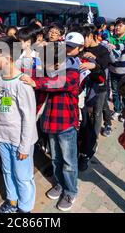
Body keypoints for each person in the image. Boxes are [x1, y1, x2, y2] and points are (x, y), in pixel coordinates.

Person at [21, 41, 81, 212]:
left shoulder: (71, 73)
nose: (41, 63)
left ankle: (70, 191)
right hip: (49, 122)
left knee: (69, 162)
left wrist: (35, 83)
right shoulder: (45, 71)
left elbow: (58, 83)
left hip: (65, 124)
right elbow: (29, 72)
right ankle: (59, 184)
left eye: (44, 60)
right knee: (55, 158)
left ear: (56, 62)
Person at [0, 36, 38, 213]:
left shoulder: (22, 83)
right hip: (2, 137)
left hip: (19, 141)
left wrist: (25, 147)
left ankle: (25, 209)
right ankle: (11, 202)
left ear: (9, 57)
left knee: (23, 176)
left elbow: (29, 118)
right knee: (7, 171)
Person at [78, 26, 112, 170]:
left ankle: (94, 140)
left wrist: (95, 60)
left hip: (99, 88)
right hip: (86, 88)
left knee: (97, 114)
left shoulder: (103, 50)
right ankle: (88, 140)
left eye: (84, 38)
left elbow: (105, 66)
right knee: (87, 116)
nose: (82, 42)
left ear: (91, 36)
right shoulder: (81, 50)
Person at [108, 18, 125, 122]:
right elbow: (105, 43)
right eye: (117, 25)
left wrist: (115, 46)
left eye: (120, 26)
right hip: (113, 70)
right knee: (115, 92)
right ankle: (117, 110)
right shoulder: (111, 38)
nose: (117, 27)